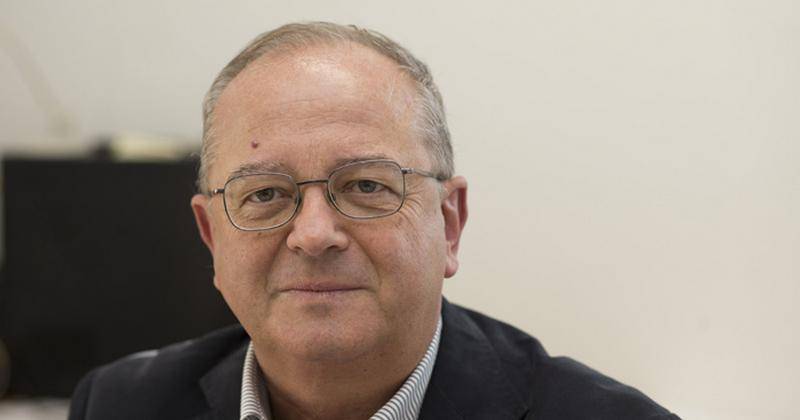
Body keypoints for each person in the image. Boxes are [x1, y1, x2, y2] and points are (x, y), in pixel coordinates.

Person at [68, 22, 680, 420]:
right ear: (211, 237)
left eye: (365, 186)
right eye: (265, 194)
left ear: (449, 225)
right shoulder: (120, 406)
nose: (313, 235)